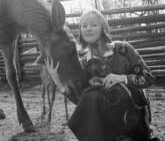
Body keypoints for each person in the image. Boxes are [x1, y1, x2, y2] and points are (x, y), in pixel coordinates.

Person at [46, 9, 160, 141]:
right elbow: (84, 102)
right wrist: (59, 84)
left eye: (93, 24)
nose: (88, 28)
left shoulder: (123, 49)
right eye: (84, 26)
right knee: (93, 96)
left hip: (134, 117)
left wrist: (123, 79)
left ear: (103, 28)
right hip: (108, 125)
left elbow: (149, 78)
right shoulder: (85, 62)